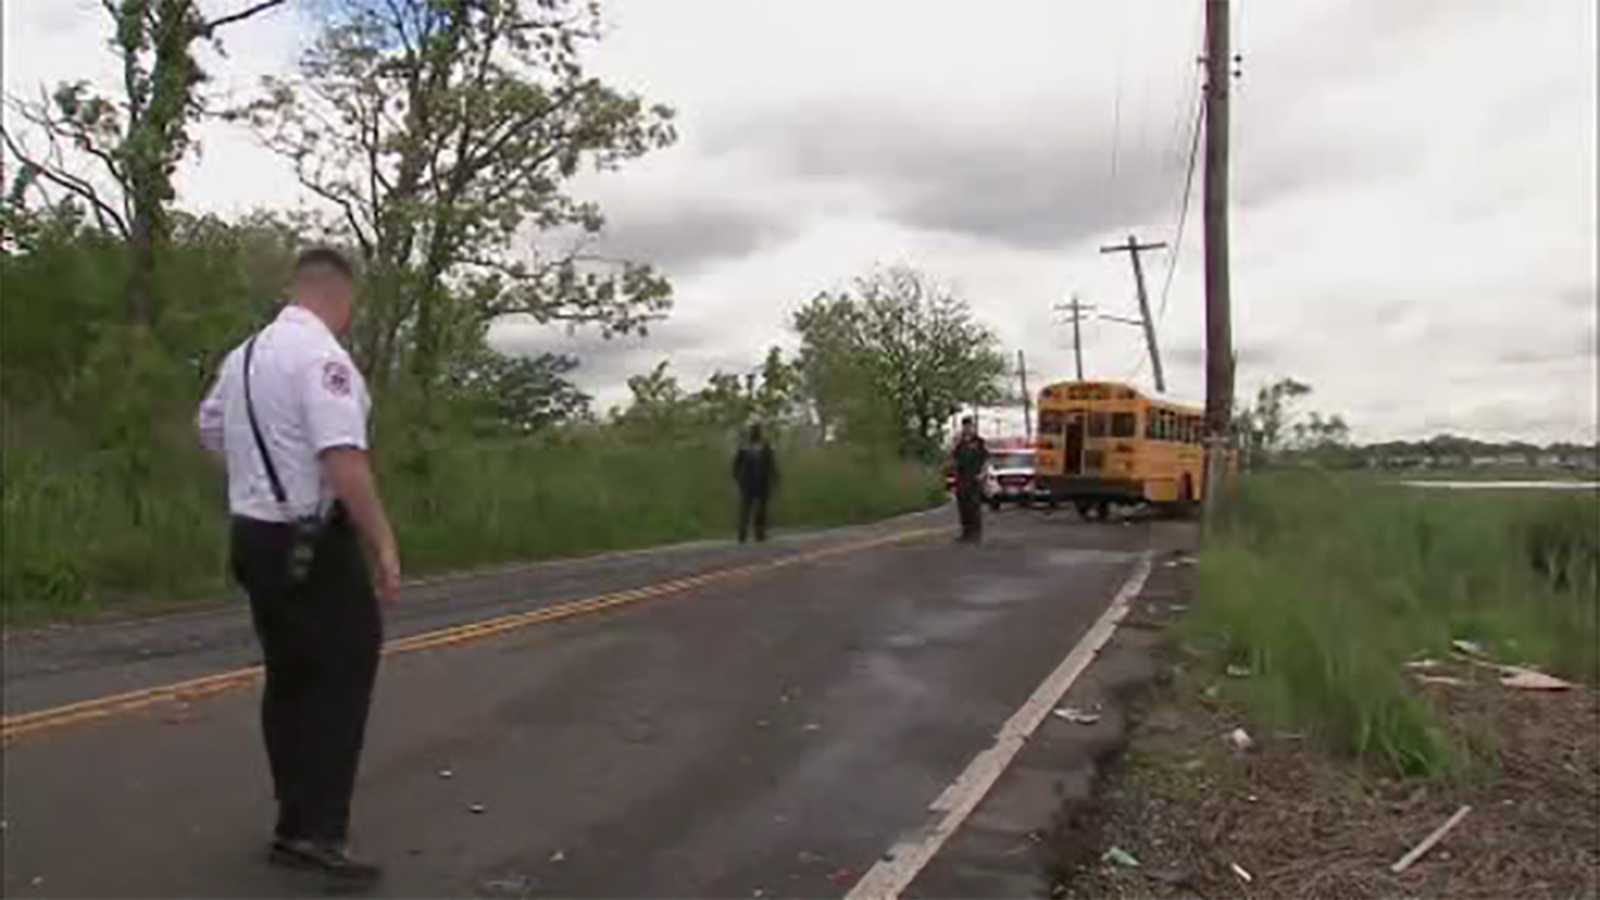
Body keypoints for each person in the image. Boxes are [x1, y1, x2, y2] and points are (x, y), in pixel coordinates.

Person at [197, 248, 400, 886]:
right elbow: (343, 459)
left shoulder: (245, 356)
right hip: (310, 540)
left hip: (252, 534)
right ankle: (318, 831)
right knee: (343, 672)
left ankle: (295, 823)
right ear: (340, 297)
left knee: (290, 677)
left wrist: (262, 480)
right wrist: (383, 545)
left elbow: (208, 429)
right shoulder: (322, 357)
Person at [732, 423, 779, 543]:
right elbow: (771, 464)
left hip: (751, 482)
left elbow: (736, 466)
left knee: (748, 508)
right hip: (758, 482)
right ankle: (755, 533)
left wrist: (738, 478)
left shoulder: (746, 447)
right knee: (756, 508)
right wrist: (774, 477)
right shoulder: (761, 446)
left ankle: (747, 533)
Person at [951, 416, 990, 543]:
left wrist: (982, 474)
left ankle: (976, 534)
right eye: (965, 426)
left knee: (974, 506)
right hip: (962, 478)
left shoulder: (979, 441)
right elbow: (954, 458)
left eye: (970, 426)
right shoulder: (960, 442)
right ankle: (965, 533)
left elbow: (986, 459)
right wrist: (955, 442)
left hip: (974, 478)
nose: (967, 428)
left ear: (973, 427)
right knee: (963, 507)